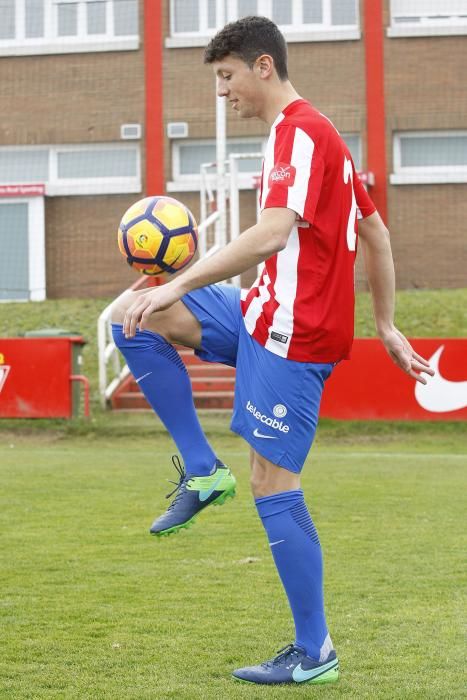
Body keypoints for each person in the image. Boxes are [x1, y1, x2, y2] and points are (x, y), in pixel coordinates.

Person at [111, 16, 434, 685]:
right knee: (132, 317)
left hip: (294, 337)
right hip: (264, 315)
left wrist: (179, 278)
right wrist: (386, 324)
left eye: (226, 76)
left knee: (271, 481)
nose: (221, 91)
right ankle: (202, 472)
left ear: (262, 67)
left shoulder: (299, 131)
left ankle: (313, 651)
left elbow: (266, 236)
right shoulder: (317, 139)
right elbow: (372, 231)